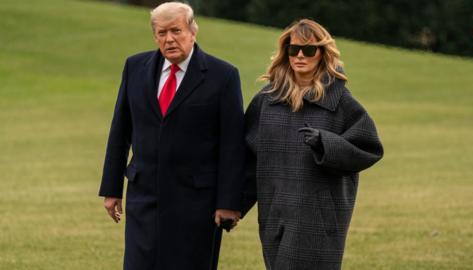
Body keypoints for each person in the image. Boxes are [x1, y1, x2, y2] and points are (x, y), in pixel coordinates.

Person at [98, 2, 245, 270]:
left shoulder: (223, 76)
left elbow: (232, 146)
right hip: (144, 198)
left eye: (176, 30)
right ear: (155, 36)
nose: (169, 39)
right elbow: (120, 130)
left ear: (193, 31)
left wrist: (229, 203)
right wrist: (111, 188)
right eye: (162, 33)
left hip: (196, 203)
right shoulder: (135, 67)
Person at [242, 19, 384, 270]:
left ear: (322, 53)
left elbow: (369, 148)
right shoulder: (266, 100)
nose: (299, 56)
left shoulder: (339, 100)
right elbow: (247, 158)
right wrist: (233, 205)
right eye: (293, 49)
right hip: (274, 211)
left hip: (319, 215)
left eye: (308, 50)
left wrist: (325, 143)